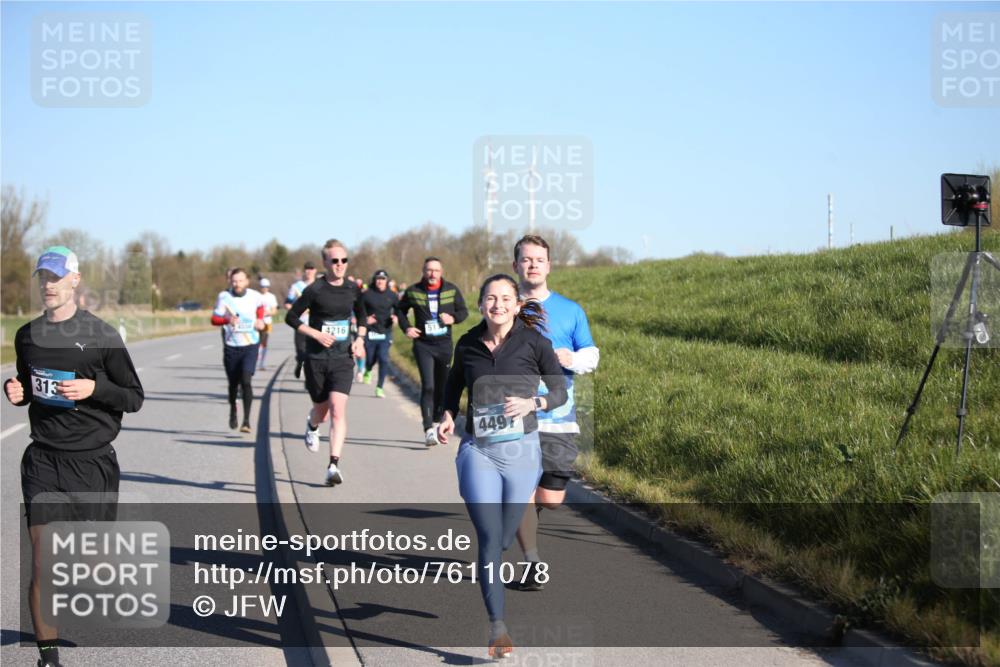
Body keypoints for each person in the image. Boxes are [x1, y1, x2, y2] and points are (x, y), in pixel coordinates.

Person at [4, 246, 144, 667]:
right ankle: (48, 658)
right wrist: (17, 393)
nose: (48, 285)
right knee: (43, 562)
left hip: (92, 462)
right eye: (42, 277)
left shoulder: (101, 335)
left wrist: (94, 389)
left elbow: (134, 397)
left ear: (75, 281)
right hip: (43, 461)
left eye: (56, 277)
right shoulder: (27, 335)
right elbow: (29, 387)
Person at [437, 274, 566, 659]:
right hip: (479, 449)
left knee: (506, 538)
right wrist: (446, 414)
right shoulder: (469, 344)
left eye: (505, 298)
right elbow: (453, 384)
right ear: (480, 304)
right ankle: (498, 628)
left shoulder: (535, 343)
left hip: (523, 452)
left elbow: (559, 391)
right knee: (490, 539)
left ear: (515, 304)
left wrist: (534, 404)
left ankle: (506, 553)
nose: (498, 304)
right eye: (491, 298)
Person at [510, 235, 600, 591]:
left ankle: (525, 514)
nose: (532, 264)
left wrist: (572, 359)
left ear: (549, 265)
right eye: (526, 259)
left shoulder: (570, 310)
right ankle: (532, 561)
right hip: (516, 420)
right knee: (520, 493)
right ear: (516, 265)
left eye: (539, 259)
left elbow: (592, 355)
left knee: (551, 498)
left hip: (559, 416)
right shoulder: (506, 306)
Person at [285, 239, 367, 486]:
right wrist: (315, 333)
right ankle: (311, 425)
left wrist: (360, 339)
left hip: (342, 358)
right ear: (325, 263)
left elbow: (362, 316)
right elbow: (290, 316)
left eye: (344, 260)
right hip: (317, 359)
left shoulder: (353, 289)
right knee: (320, 412)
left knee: (337, 409)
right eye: (335, 261)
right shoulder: (315, 290)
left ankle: (333, 465)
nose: (340, 265)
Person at [396, 257, 468, 446]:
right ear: (423, 271)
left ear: (441, 272)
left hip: (444, 344)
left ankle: (437, 420)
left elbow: (464, 312)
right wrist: (407, 328)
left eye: (436, 270)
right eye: (429, 270)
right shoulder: (414, 291)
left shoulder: (451, 290)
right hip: (423, 345)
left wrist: (452, 318)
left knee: (443, 387)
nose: (432, 274)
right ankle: (428, 428)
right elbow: (400, 310)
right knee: (428, 385)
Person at [211, 268, 266, 433]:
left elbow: (261, 312)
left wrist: (261, 322)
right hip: (231, 346)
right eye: (234, 281)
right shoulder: (224, 297)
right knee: (233, 385)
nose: (237, 284)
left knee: (246, 381)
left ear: (247, 281)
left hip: (250, 344)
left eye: (240, 280)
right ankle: (233, 410)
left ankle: (247, 421)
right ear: (230, 281)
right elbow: (214, 319)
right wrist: (227, 319)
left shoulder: (255, 296)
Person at [362, 269, 398, 397]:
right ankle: (368, 369)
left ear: (387, 281)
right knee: (371, 358)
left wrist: (396, 318)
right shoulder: (367, 294)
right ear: (374, 280)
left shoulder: (392, 295)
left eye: (383, 279)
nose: (380, 281)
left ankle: (379, 387)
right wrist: (366, 320)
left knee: (383, 358)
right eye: (378, 279)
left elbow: (399, 310)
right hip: (370, 331)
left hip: (385, 332)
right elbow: (359, 311)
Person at [285, 260, 318, 379]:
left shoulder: (320, 285)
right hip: (300, 325)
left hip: (315, 326)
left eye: (311, 268)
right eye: (307, 269)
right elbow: (287, 303)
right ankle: (300, 362)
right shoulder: (296, 286)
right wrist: (295, 310)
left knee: (312, 354)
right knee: (300, 352)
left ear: (315, 271)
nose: (309, 271)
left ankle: (308, 378)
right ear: (304, 271)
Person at [257, 277, 279, 371]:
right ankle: (255, 362)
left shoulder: (271, 296)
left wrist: (266, 313)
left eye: (266, 287)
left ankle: (262, 363)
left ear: (268, 287)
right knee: (256, 343)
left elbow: (274, 311)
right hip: (257, 322)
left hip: (267, 322)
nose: (264, 288)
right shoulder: (256, 296)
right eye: (262, 286)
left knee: (264, 343)